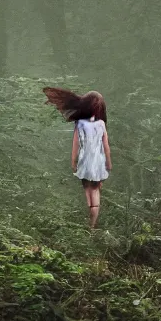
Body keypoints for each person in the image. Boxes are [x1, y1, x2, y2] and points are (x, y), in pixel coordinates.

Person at [43, 87, 112, 229]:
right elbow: (106, 146)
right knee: (95, 189)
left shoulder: (79, 124)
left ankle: (91, 212)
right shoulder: (101, 124)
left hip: (85, 162)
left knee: (88, 188)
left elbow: (75, 145)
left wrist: (73, 162)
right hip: (98, 162)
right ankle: (92, 221)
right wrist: (108, 164)